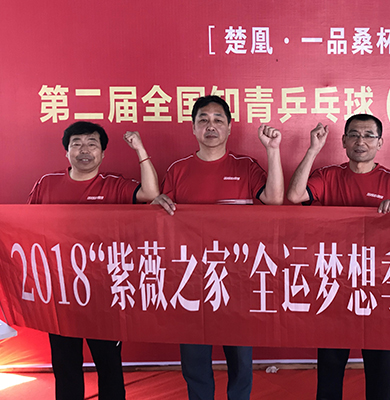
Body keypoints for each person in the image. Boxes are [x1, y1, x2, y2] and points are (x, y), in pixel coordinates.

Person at [152, 95, 284, 400]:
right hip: (191, 277)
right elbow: (164, 220)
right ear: (193, 128)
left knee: (240, 359)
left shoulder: (246, 166)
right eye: (203, 120)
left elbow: (275, 200)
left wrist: (273, 151)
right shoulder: (178, 170)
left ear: (229, 127)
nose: (210, 126)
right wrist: (157, 204)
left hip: (237, 276)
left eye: (217, 120)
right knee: (194, 359)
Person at [287, 114, 390, 400]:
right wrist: (313, 149)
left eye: (369, 135)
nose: (361, 141)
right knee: (330, 367)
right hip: (334, 284)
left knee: (379, 368)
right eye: (354, 135)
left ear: (380, 143)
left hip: (378, 287)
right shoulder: (328, 175)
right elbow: (295, 196)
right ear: (344, 141)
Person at [27, 121, 160, 400]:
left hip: (104, 293)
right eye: (76, 144)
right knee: (65, 365)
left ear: (102, 153)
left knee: (109, 364)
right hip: (60, 293)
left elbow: (150, 193)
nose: (84, 150)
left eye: (92, 144)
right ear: (66, 152)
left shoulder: (114, 185)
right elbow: (26, 229)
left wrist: (139, 149)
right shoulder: (46, 184)